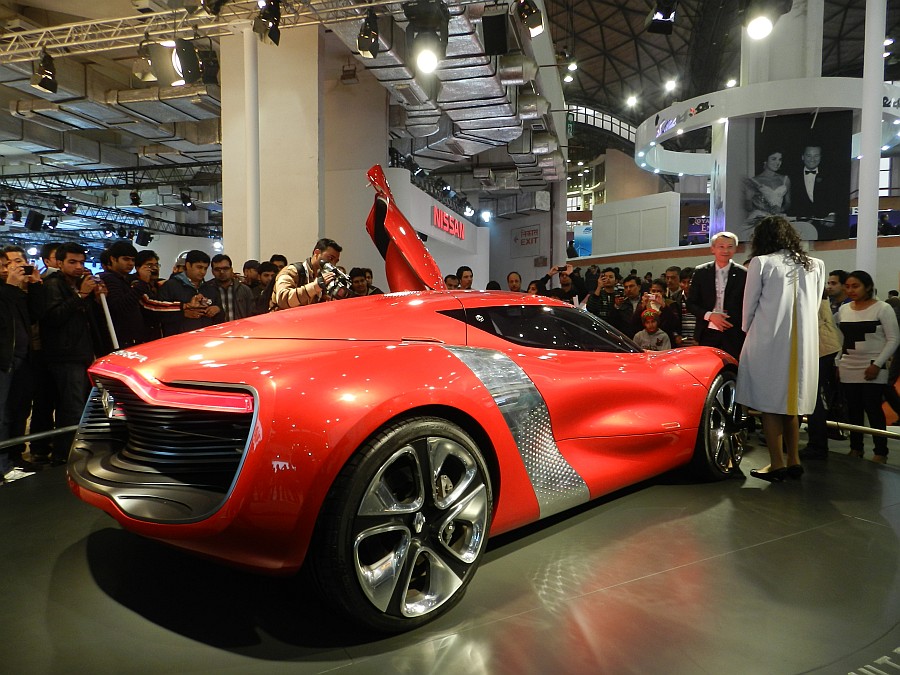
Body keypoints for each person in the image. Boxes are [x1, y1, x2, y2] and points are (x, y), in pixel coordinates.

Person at [735, 216, 825, 482]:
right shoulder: (816, 265)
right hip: (803, 341)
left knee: (769, 403)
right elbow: (815, 304)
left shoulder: (761, 262)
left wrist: (749, 332)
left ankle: (776, 464)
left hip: (768, 339)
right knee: (791, 403)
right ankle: (794, 460)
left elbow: (749, 307)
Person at [40, 242, 110, 455]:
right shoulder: (52, 285)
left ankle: (71, 452)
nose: (79, 266)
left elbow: (87, 319)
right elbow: (53, 317)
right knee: (72, 408)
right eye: (72, 262)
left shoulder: (78, 283)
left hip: (82, 352)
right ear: (59, 263)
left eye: (81, 262)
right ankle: (64, 455)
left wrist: (95, 298)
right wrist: (80, 295)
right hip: (65, 355)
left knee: (79, 407)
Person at [836, 270, 899, 464]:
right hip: (848, 365)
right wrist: (838, 361)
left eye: (855, 286)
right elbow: (841, 339)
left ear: (868, 287)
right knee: (853, 409)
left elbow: (893, 339)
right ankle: (856, 448)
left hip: (873, 365)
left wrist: (877, 364)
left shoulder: (883, 308)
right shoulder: (844, 310)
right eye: (847, 286)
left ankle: (881, 451)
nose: (851, 290)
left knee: (873, 408)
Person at [0, 247, 45, 478]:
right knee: (2, 414)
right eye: (7, 263)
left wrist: (35, 286)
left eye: (19, 262)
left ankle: (14, 457)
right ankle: (3, 466)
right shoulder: (6, 290)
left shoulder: (16, 291)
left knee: (19, 411)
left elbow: (35, 315)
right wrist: (10, 286)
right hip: (4, 360)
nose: (13, 267)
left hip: (23, 358)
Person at [686, 231, 747, 361]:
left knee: (733, 366)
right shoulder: (701, 272)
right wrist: (710, 315)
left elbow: (746, 305)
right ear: (713, 249)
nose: (725, 250)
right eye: (721, 247)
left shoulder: (743, 273)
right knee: (706, 366)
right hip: (707, 332)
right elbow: (691, 303)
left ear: (735, 249)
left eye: (730, 247)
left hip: (733, 332)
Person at [158, 250, 222, 335]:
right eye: (199, 267)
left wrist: (217, 309)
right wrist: (183, 314)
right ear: (188, 265)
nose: (203, 272)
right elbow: (159, 314)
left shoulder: (210, 288)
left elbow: (221, 314)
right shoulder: (171, 286)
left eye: (205, 268)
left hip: (207, 337)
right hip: (179, 338)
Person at [270, 238, 342, 310]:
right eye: (330, 258)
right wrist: (314, 287)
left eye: (336, 261)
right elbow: (282, 300)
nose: (333, 264)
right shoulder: (292, 271)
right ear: (317, 253)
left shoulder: (320, 277)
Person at [787, 144, 838, 238]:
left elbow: (835, 197)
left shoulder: (830, 175)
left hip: (824, 226)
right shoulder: (792, 176)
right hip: (799, 227)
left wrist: (832, 215)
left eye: (816, 156)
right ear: (803, 157)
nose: (812, 159)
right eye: (808, 155)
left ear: (821, 157)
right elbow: (789, 201)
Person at [739, 150, 792, 241]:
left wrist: (781, 209)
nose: (777, 162)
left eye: (780, 159)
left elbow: (788, 202)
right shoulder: (754, 181)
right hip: (759, 218)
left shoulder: (785, 179)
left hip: (778, 216)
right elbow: (749, 208)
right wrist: (748, 198)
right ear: (765, 161)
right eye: (774, 159)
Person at [203, 254, 255, 322]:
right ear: (212, 272)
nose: (222, 272)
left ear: (231, 270)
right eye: (217, 269)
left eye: (225, 268)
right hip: (215, 328)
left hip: (240, 328)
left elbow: (252, 315)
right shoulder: (206, 289)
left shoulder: (244, 290)